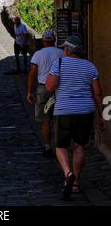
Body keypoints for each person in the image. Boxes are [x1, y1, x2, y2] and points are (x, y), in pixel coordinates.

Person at [46, 35, 105, 200]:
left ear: (66, 49)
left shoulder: (58, 63)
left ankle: (68, 173)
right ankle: (77, 184)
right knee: (79, 147)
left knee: (60, 146)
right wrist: (101, 116)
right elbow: (98, 94)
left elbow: (50, 86)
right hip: (85, 111)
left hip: (64, 110)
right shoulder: (90, 67)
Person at [27, 30, 63, 158]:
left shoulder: (38, 54)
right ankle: (60, 146)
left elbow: (32, 73)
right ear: (54, 40)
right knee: (59, 118)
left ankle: (47, 146)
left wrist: (29, 91)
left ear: (43, 41)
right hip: (59, 88)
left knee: (45, 120)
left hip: (43, 89)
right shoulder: (61, 53)